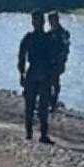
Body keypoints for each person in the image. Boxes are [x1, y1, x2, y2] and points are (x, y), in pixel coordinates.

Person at [18, 11, 57, 144]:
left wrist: (22, 74)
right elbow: (54, 60)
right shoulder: (49, 38)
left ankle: (30, 133)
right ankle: (40, 134)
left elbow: (21, 58)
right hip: (42, 73)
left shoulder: (30, 38)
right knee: (41, 105)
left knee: (32, 104)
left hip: (35, 73)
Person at [47, 11, 71, 111]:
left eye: (51, 20)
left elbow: (66, 48)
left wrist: (61, 59)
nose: (50, 23)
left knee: (55, 82)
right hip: (49, 62)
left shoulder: (63, 33)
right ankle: (51, 102)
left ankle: (53, 103)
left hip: (58, 62)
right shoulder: (50, 33)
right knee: (49, 82)